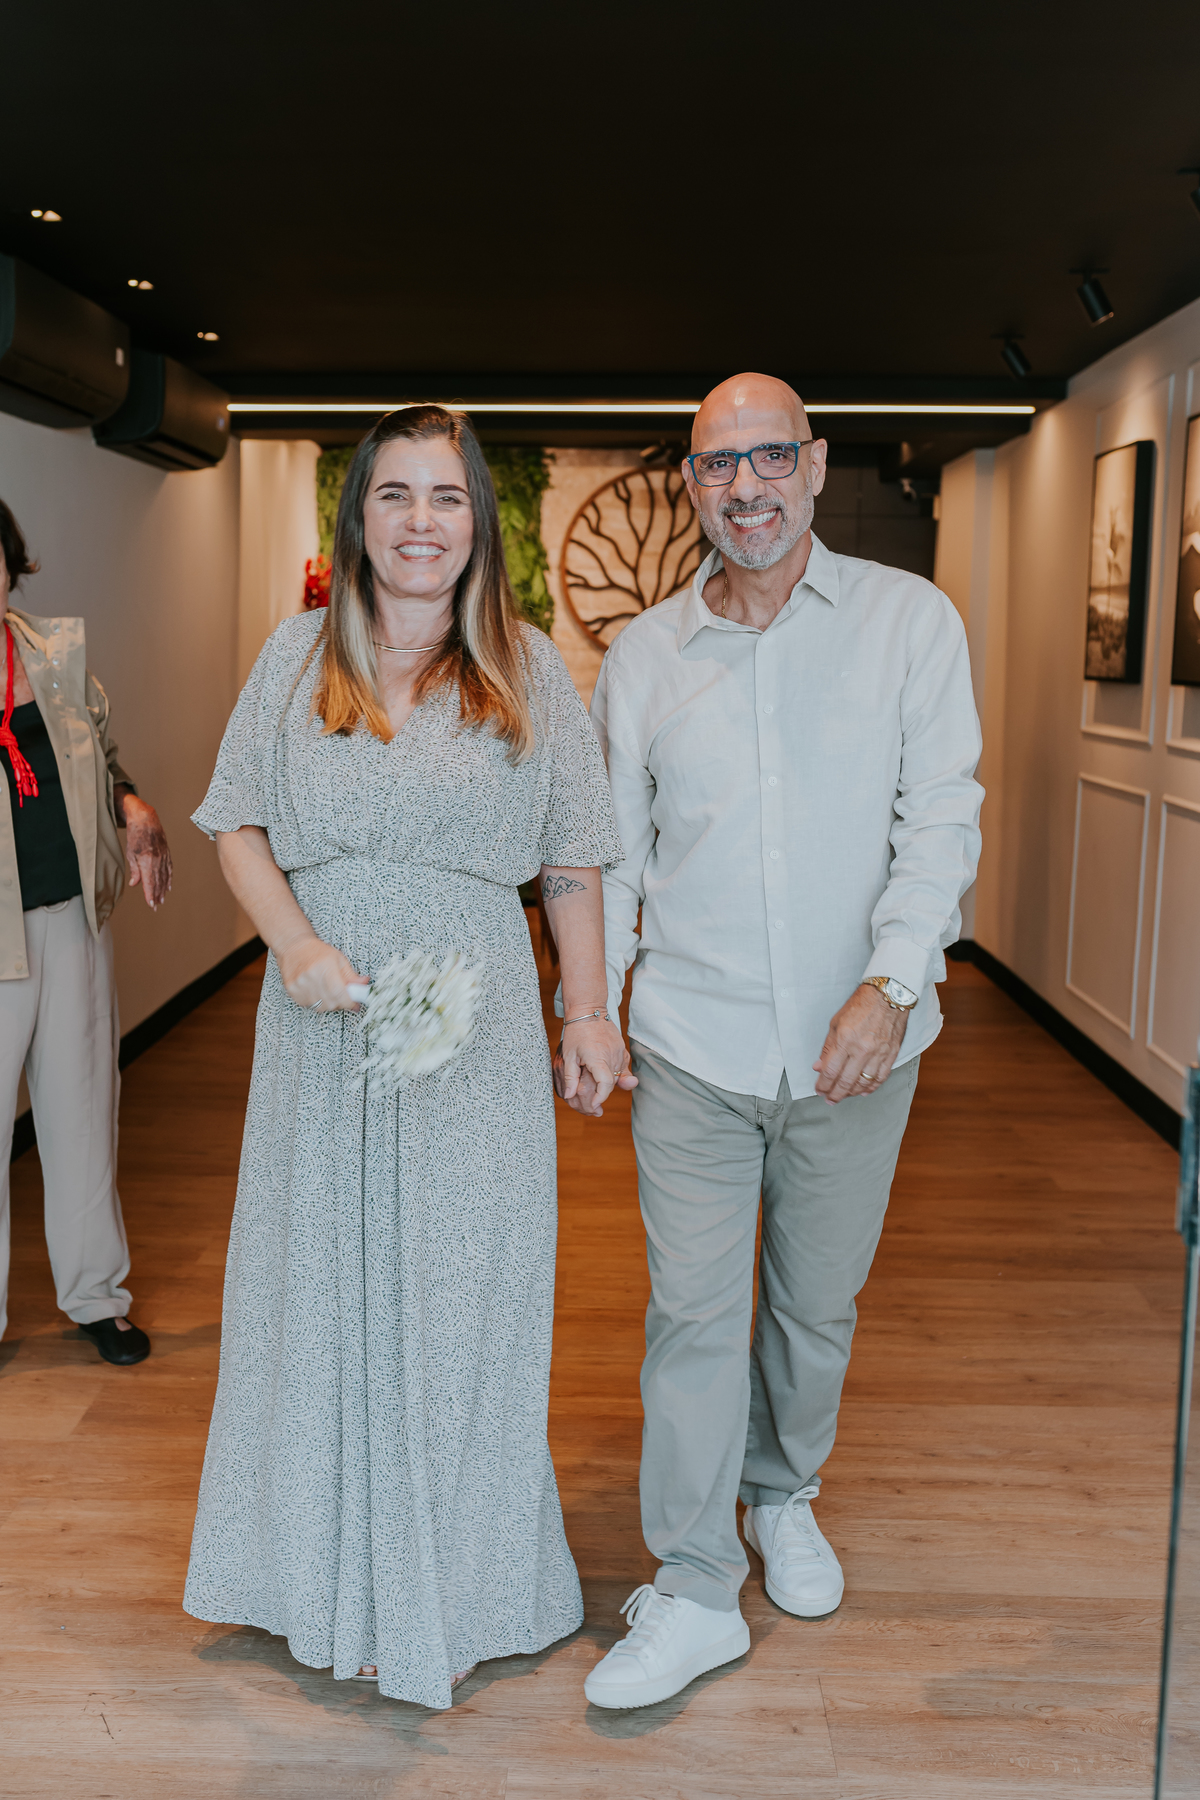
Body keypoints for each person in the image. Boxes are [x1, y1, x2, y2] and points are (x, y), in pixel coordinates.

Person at [183, 405, 633, 1710]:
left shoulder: (530, 669)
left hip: (471, 1034)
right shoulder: (294, 655)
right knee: (320, 1294)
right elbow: (235, 825)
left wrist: (587, 1013)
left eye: (445, 496)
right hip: (319, 1026)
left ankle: (453, 1590)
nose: (421, 521)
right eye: (395, 494)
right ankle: (323, 1579)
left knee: (461, 1302)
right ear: (360, 517)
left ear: (477, 519)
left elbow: (573, 859)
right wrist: (296, 950)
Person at [581, 374, 983, 1709]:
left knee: (814, 1304)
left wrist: (891, 982)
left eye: (769, 458)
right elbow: (614, 858)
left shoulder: (909, 624)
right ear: (692, 485)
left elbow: (942, 817)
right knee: (693, 1316)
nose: (744, 486)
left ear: (814, 467)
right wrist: (597, 1005)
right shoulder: (645, 658)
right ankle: (696, 1585)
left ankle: (781, 1491)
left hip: (855, 1046)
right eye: (717, 464)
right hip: (690, 1045)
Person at [0, 498, 172, 1366]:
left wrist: (130, 802)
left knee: (81, 1113)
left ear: (10, 563)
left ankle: (96, 1298)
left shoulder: (53, 655)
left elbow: (100, 760)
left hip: (70, 916)